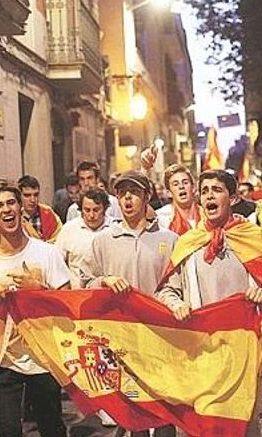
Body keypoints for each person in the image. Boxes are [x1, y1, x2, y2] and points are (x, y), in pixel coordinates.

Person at [157, 169, 262, 437]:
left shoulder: (252, 237)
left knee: (243, 426)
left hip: (244, 354)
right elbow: (166, 291)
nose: (209, 196)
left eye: (216, 190)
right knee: (202, 425)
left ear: (233, 196)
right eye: (204, 191)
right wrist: (176, 304)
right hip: (200, 352)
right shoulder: (187, 242)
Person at [0, 184, 71, 437]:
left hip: (44, 359)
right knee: (6, 431)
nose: (7, 210)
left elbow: (68, 306)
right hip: (3, 362)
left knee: (52, 429)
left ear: (20, 207)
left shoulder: (47, 253)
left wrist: (40, 289)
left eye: (11, 203)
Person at [86, 170, 177, 437]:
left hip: (159, 337)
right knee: (131, 410)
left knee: (163, 409)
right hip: (120, 340)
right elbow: (83, 281)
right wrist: (104, 280)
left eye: (134, 193)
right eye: (122, 193)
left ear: (147, 197)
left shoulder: (168, 239)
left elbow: (176, 284)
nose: (128, 199)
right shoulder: (103, 240)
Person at [54, 188, 110, 289]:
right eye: (87, 210)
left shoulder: (114, 229)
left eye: (96, 210)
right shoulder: (69, 229)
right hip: (76, 294)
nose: (91, 215)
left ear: (105, 209)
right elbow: (56, 262)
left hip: (108, 295)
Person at [154, 164, 202, 235]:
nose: (181, 186)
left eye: (185, 182)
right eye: (176, 184)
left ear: (193, 188)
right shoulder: (160, 218)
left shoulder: (206, 215)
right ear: (169, 193)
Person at [18, 175, 62, 243]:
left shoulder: (48, 212)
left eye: (36, 195)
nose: (32, 200)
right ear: (19, 196)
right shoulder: (15, 217)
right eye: (27, 195)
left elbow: (60, 235)